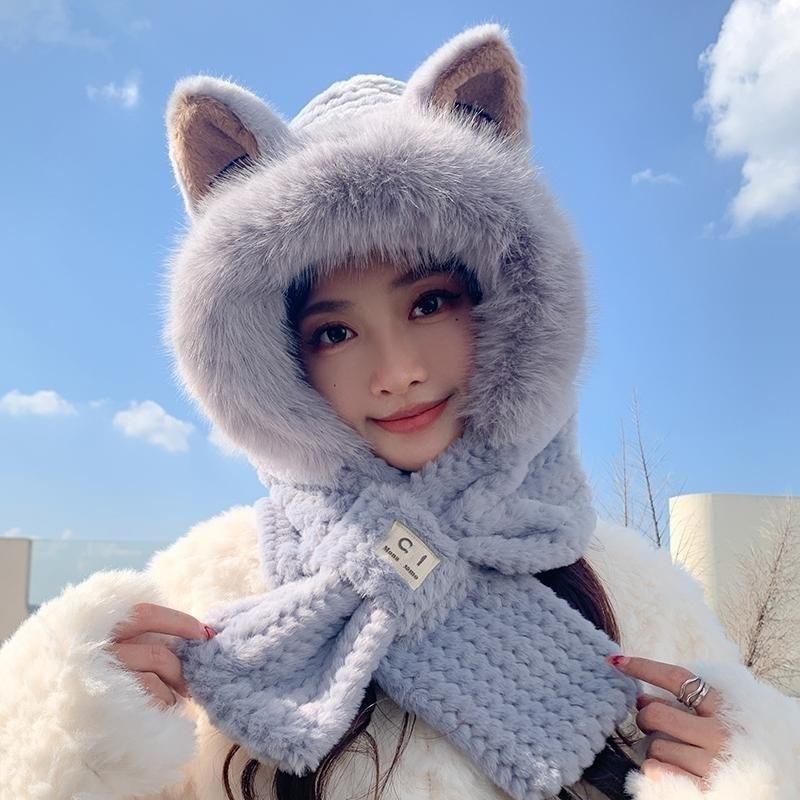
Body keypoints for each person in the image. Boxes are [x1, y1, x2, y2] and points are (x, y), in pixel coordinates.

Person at [1, 22, 798, 800]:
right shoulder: (207, 593)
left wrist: (749, 772)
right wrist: (82, 740)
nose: (396, 373)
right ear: (277, 359)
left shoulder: (634, 588)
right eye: (335, 332)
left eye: (430, 303)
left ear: (505, 303)